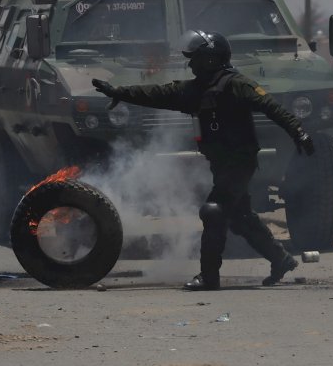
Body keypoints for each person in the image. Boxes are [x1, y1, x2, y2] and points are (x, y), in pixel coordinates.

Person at [91, 29, 314, 291]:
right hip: (221, 164)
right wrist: (119, 92)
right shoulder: (197, 90)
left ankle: (209, 277)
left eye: (194, 58)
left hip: (240, 162)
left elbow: (272, 107)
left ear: (210, 59)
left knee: (213, 211)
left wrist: (298, 132)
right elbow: (158, 93)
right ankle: (281, 259)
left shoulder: (237, 84)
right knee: (240, 217)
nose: (190, 63)